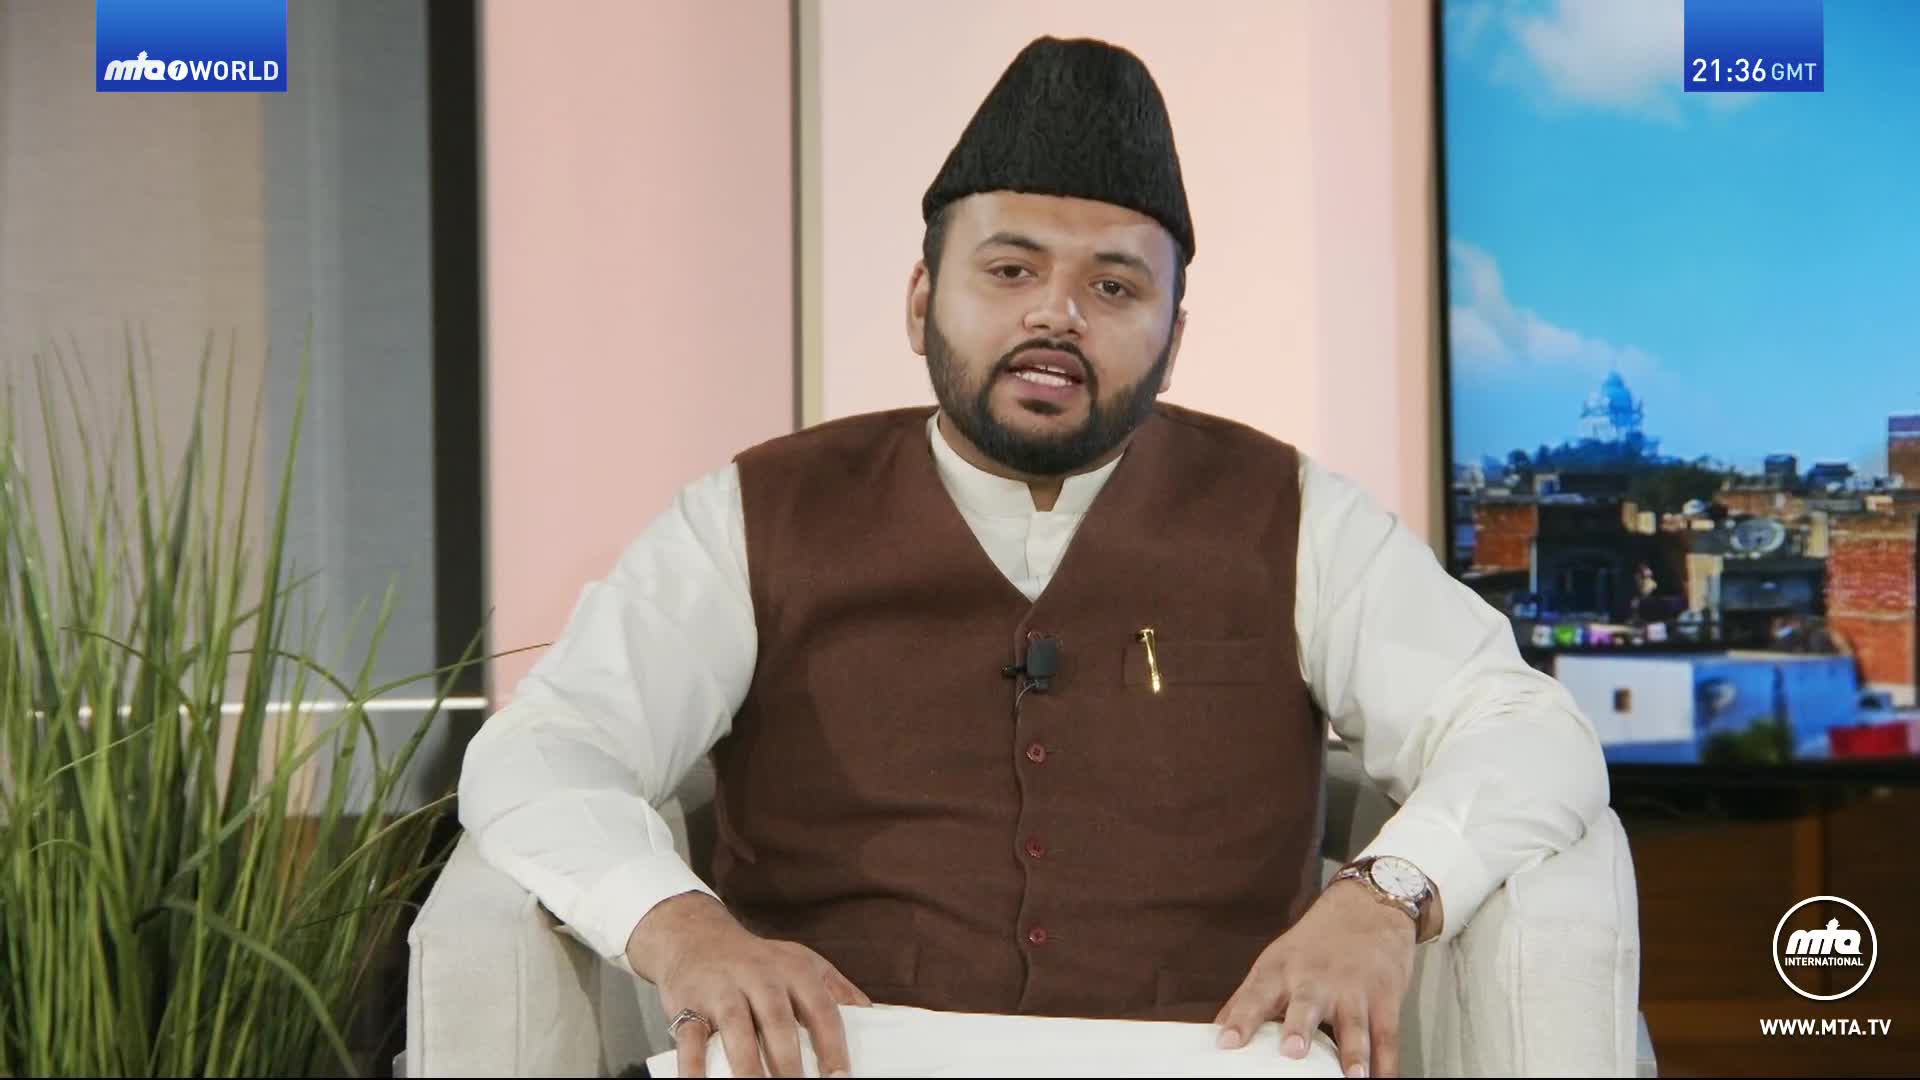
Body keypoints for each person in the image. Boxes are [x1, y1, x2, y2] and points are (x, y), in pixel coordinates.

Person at [458, 34, 1608, 1080]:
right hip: (843, 1061)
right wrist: (682, 929)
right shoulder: (752, 515)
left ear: (1174, 337)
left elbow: (1526, 728)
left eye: (1114, 286)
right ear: (922, 300)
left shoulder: (1300, 517)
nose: (1057, 315)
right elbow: (546, 747)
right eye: (1010, 271)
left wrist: (1380, 897)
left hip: (1203, 1063)